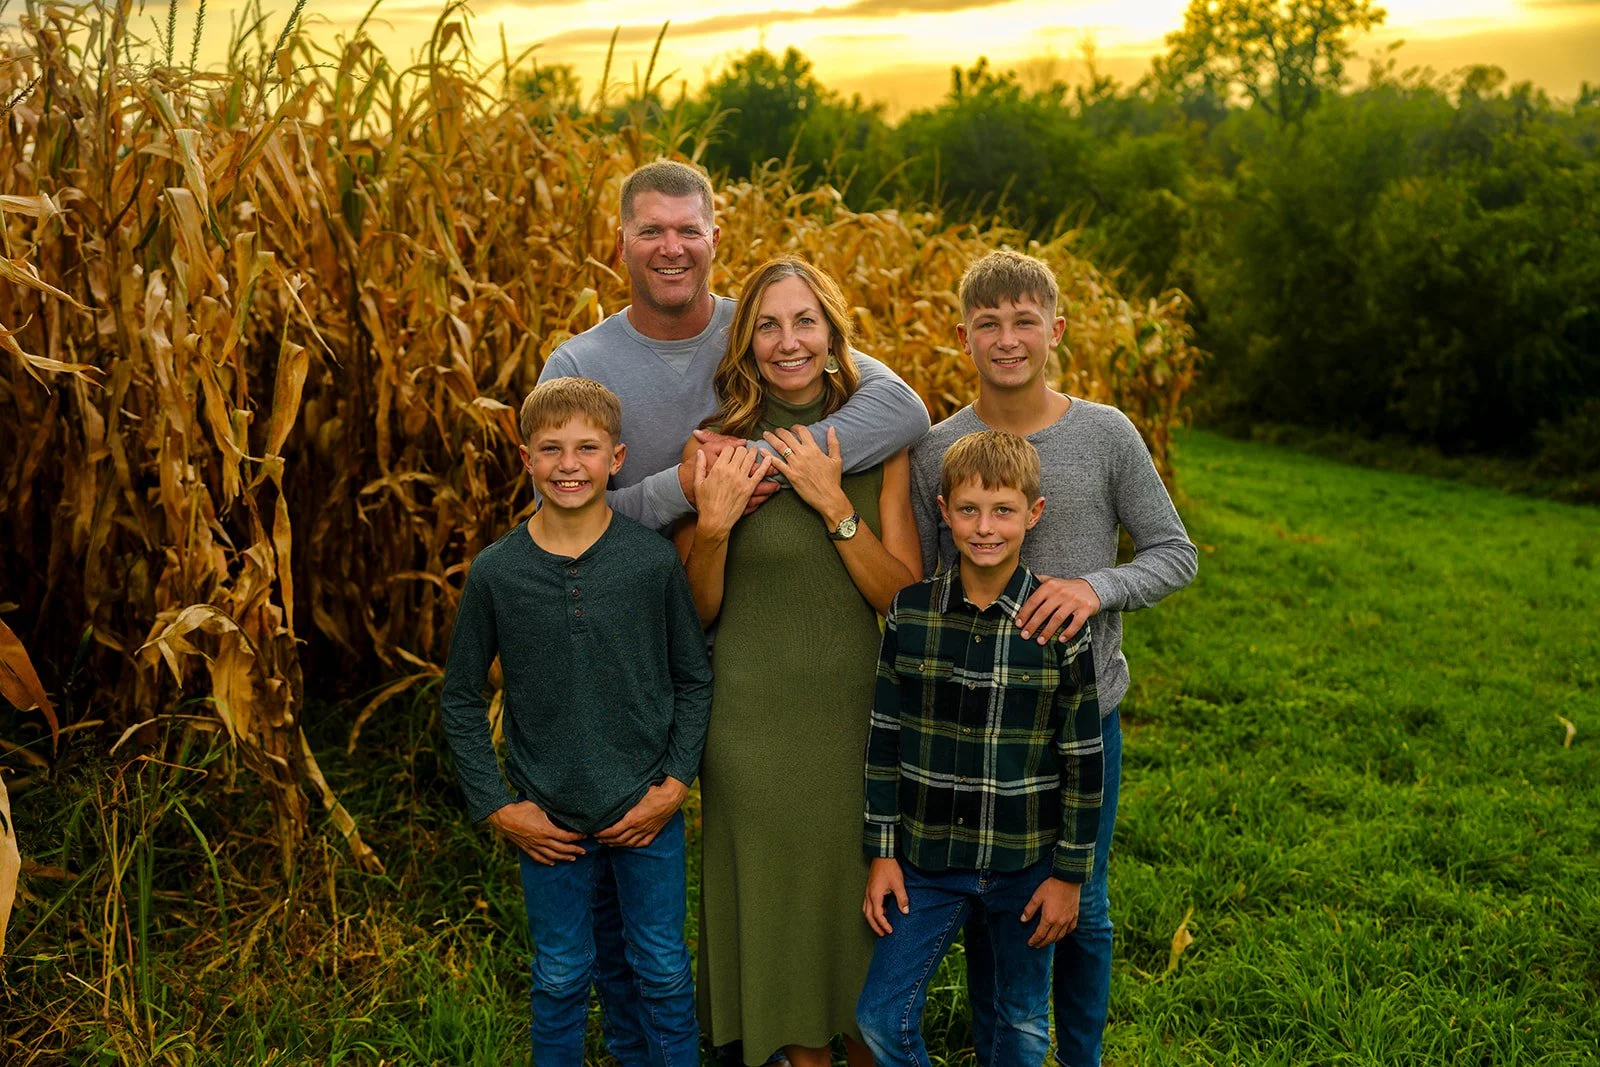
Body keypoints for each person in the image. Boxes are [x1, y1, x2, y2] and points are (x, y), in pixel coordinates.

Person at [537, 159, 931, 1063]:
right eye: (652, 230)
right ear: (623, 240)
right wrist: (700, 506)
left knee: (857, 900)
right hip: (708, 689)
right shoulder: (615, 383)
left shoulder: (850, 408)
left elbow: (903, 419)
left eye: (689, 229)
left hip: (844, 701)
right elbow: (583, 519)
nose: (786, 340)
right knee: (650, 919)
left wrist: (822, 487)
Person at [907, 251, 1198, 1066]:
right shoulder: (938, 449)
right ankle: (1004, 1037)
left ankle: (1080, 1052)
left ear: (1056, 329)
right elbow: (932, 584)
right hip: (979, 726)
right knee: (992, 901)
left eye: (1024, 320)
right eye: (989, 323)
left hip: (1082, 714)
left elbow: (1175, 553)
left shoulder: (1104, 434)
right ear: (962, 335)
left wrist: (1095, 587)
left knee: (1084, 901)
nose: (1007, 338)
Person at [675, 256, 924, 1067]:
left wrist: (832, 504)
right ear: (746, 342)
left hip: (858, 726)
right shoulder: (717, 450)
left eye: (805, 321)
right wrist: (710, 528)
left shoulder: (877, 438)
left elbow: (905, 600)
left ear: (831, 333)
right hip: (752, 731)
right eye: (769, 325)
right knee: (784, 945)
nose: (789, 341)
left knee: (859, 945)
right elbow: (697, 610)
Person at [439, 378, 713, 1066]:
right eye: (551, 448)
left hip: (645, 808)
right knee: (561, 974)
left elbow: (693, 676)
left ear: (616, 457)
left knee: (661, 966)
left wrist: (675, 783)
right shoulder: (498, 573)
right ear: (525, 455)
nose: (569, 463)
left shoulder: (649, 561)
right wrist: (499, 806)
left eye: (587, 447)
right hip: (549, 820)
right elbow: (461, 697)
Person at [856, 429, 1105, 1067]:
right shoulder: (910, 615)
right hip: (927, 861)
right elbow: (884, 737)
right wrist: (883, 853)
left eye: (1003, 511)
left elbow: (1082, 759)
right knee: (880, 1020)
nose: (985, 527)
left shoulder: (1055, 625)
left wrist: (1069, 876)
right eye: (968, 510)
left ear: (1034, 514)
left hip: (1024, 863)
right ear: (944, 512)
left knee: (1019, 1022)